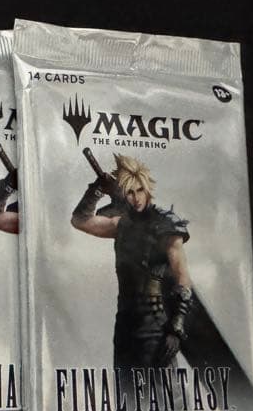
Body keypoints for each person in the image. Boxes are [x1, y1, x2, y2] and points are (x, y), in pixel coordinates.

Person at [70, 154, 193, 368]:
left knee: (163, 388)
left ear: (147, 189)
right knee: (126, 386)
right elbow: (80, 220)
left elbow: (182, 276)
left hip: (155, 324)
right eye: (129, 192)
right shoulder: (120, 225)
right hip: (125, 323)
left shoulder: (165, 223)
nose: (136, 198)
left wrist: (176, 326)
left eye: (140, 190)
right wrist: (97, 189)